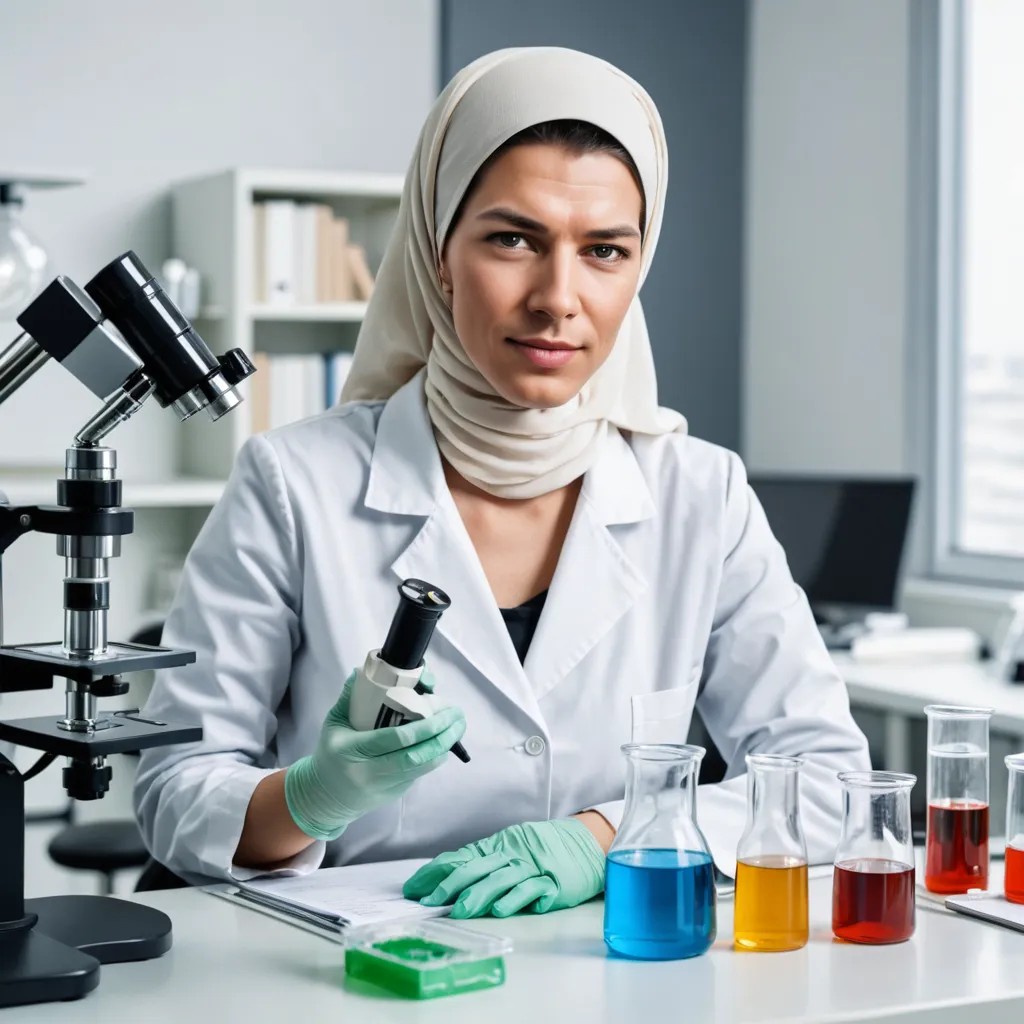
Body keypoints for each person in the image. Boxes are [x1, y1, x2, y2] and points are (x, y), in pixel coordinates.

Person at [133, 46, 870, 917]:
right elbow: (176, 792)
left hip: (610, 966)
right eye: (513, 239)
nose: (559, 297)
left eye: (604, 250)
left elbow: (828, 784)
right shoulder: (292, 483)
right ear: (436, 253)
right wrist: (309, 797)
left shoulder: (701, 497)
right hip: (349, 971)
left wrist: (605, 836)